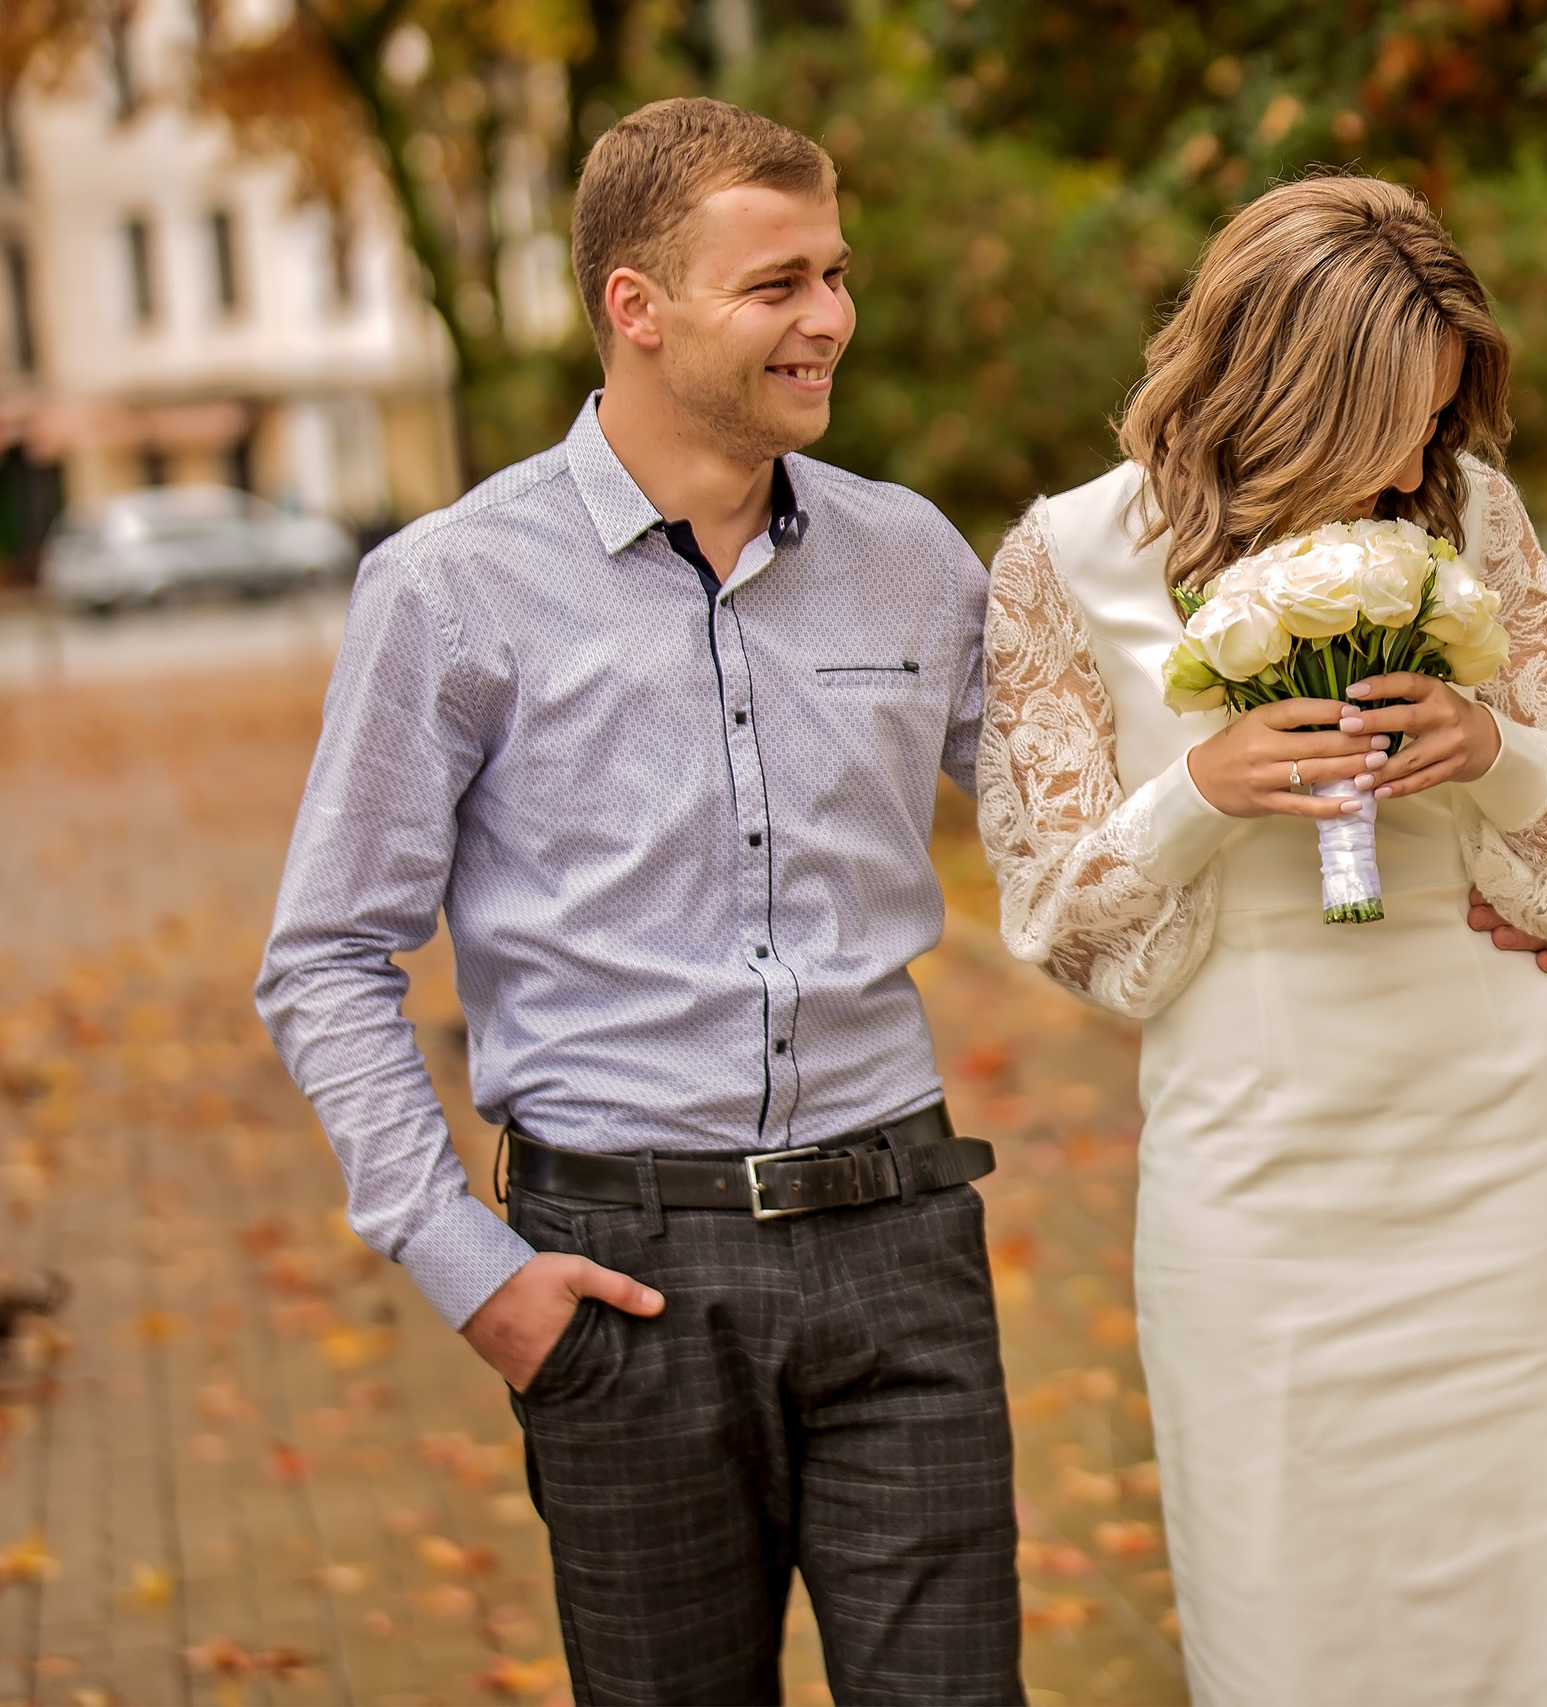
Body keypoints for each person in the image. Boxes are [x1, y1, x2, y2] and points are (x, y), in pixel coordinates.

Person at [255, 98, 1021, 1706]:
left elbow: (1077, 835)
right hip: (621, 1282)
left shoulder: (916, 560)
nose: (833, 319)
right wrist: (471, 1271)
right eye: (779, 285)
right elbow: (327, 959)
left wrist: (1380, 845)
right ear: (636, 306)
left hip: (901, 1243)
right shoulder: (452, 587)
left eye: (836, 272)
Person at [978, 175, 1547, 1705]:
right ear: (1292, 392)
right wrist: (1199, 794)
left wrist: (1492, 749)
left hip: (1493, 1158)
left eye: (1440, 416)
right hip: (1258, 1183)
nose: (1427, 454)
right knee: (1292, 1627)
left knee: (1536, 1621)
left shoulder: (1473, 513)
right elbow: (1075, 934)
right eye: (1400, 418)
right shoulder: (1063, 563)